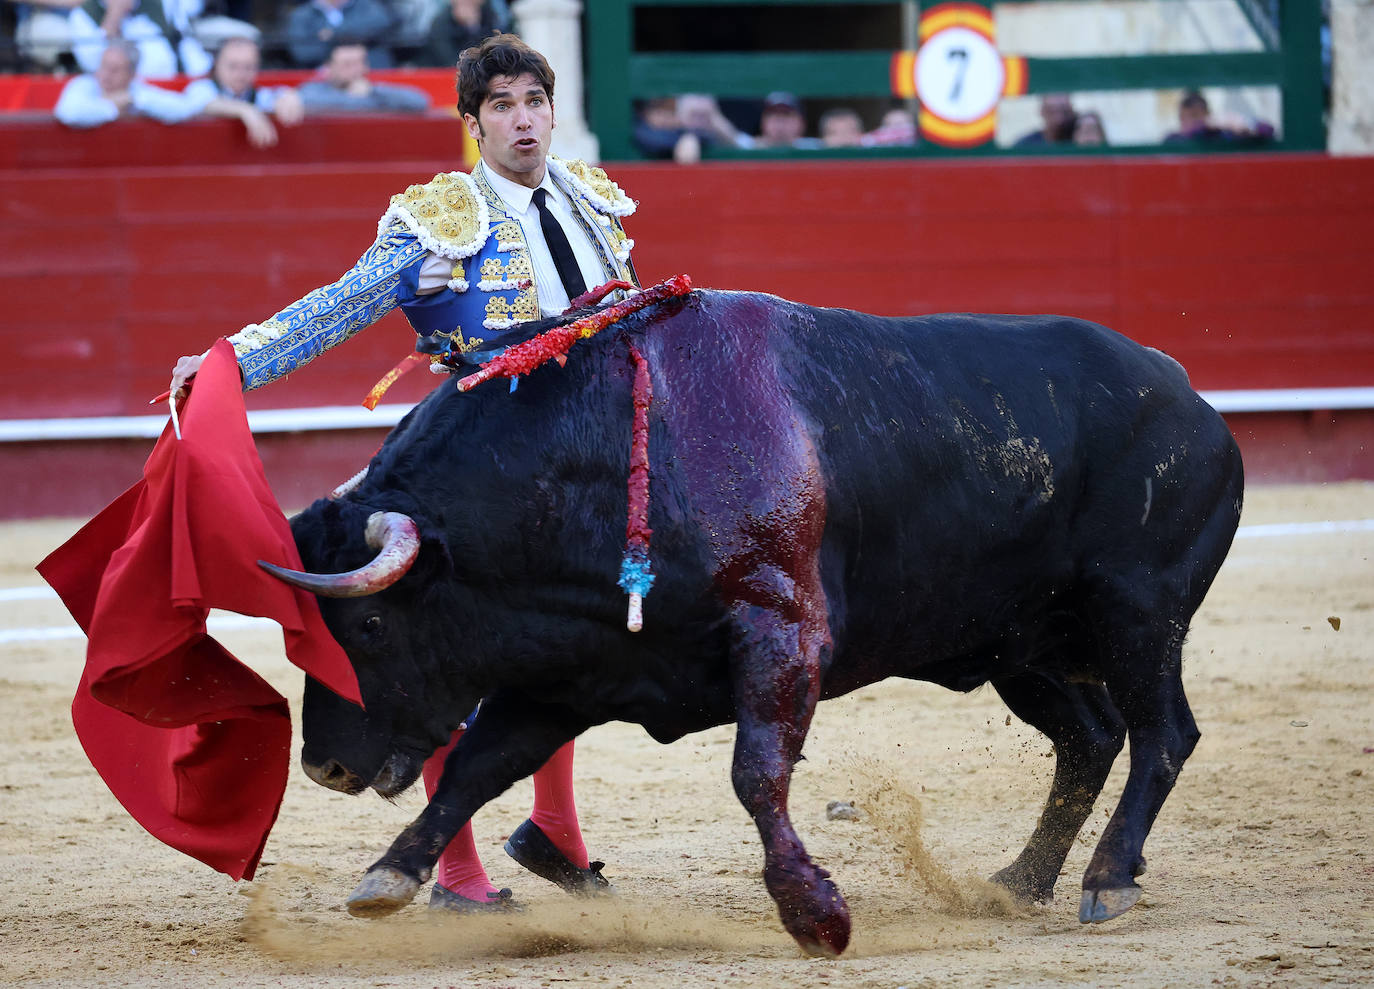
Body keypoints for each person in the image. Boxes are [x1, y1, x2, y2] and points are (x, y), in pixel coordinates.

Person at [166, 33, 637, 912]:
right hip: (471, 472)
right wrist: (233, 359)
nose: (523, 120)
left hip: (580, 477)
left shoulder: (592, 201)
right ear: (473, 123)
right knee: (449, 658)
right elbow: (338, 308)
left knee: (569, 647)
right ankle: (458, 874)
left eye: (534, 100)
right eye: (501, 106)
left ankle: (555, 831)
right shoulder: (443, 217)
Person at [184, 36, 306, 147]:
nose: (241, 74)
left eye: (248, 67)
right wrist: (245, 110)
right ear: (216, 65)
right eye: (233, 66)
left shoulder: (257, 95)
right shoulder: (201, 87)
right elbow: (201, 103)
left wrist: (289, 95)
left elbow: (274, 97)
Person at [54, 38, 204, 127]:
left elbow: (185, 109)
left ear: (131, 75)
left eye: (115, 70)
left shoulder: (136, 92)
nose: (106, 75)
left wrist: (134, 100)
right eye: (104, 66)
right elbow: (68, 112)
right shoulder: (84, 84)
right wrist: (113, 106)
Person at [67, 0, 213, 78]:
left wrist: (198, 78)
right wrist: (114, 15)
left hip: (169, 87)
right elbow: (90, 63)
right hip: (115, 97)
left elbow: (187, 46)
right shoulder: (83, 14)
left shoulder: (162, 3)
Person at [297, 42, 430, 113]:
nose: (354, 70)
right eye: (346, 64)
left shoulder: (376, 91)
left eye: (358, 63)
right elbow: (303, 100)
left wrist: (372, 91)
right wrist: (359, 98)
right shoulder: (313, 90)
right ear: (329, 68)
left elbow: (420, 101)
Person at [285, 0, 396, 69]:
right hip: (322, 81)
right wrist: (351, 40)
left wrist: (333, 35)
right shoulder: (302, 14)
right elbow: (302, 53)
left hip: (374, 76)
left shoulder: (367, 5)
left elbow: (382, 23)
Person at [416, 0, 511, 68]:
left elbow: (496, 49)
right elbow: (448, 59)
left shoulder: (490, 16)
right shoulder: (441, 21)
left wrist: (473, 26)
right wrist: (468, 26)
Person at [1164, 89, 1275, 146]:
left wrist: (1243, 126)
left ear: (1207, 114)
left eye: (1194, 116)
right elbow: (1195, 133)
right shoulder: (1174, 138)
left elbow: (1267, 129)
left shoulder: (1220, 134)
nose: (1188, 121)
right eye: (1183, 117)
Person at [743, 90, 822, 149]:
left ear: (801, 122)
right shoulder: (749, 146)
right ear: (763, 122)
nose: (780, 123)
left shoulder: (814, 147)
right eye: (775, 116)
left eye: (786, 116)